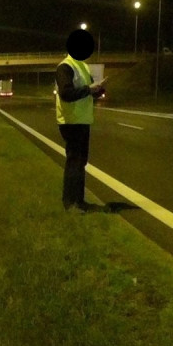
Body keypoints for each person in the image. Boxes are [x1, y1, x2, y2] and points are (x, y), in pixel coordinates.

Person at [55, 29, 106, 212]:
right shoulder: (65, 67)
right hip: (71, 121)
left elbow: (88, 91)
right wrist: (89, 89)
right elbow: (66, 93)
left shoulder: (83, 66)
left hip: (83, 121)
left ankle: (79, 201)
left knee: (80, 163)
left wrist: (98, 90)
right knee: (74, 162)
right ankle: (71, 203)